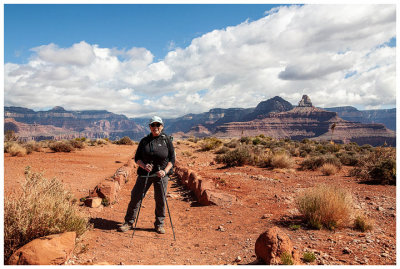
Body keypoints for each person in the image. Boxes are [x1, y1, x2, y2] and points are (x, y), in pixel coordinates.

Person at [118, 116, 175, 234]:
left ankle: (159, 224)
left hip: (161, 175)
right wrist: (144, 165)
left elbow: (172, 160)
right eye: (152, 125)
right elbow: (137, 158)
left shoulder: (167, 140)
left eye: (157, 125)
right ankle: (128, 222)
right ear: (149, 127)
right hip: (145, 174)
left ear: (162, 126)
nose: (155, 127)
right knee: (136, 197)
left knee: (160, 199)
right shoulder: (144, 141)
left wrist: (165, 171)